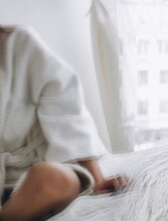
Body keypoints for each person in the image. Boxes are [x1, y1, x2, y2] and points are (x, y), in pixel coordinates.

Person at [0, 26, 126, 221]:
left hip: (33, 170)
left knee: (53, 177)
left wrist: (98, 179)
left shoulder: (20, 43)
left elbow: (66, 108)